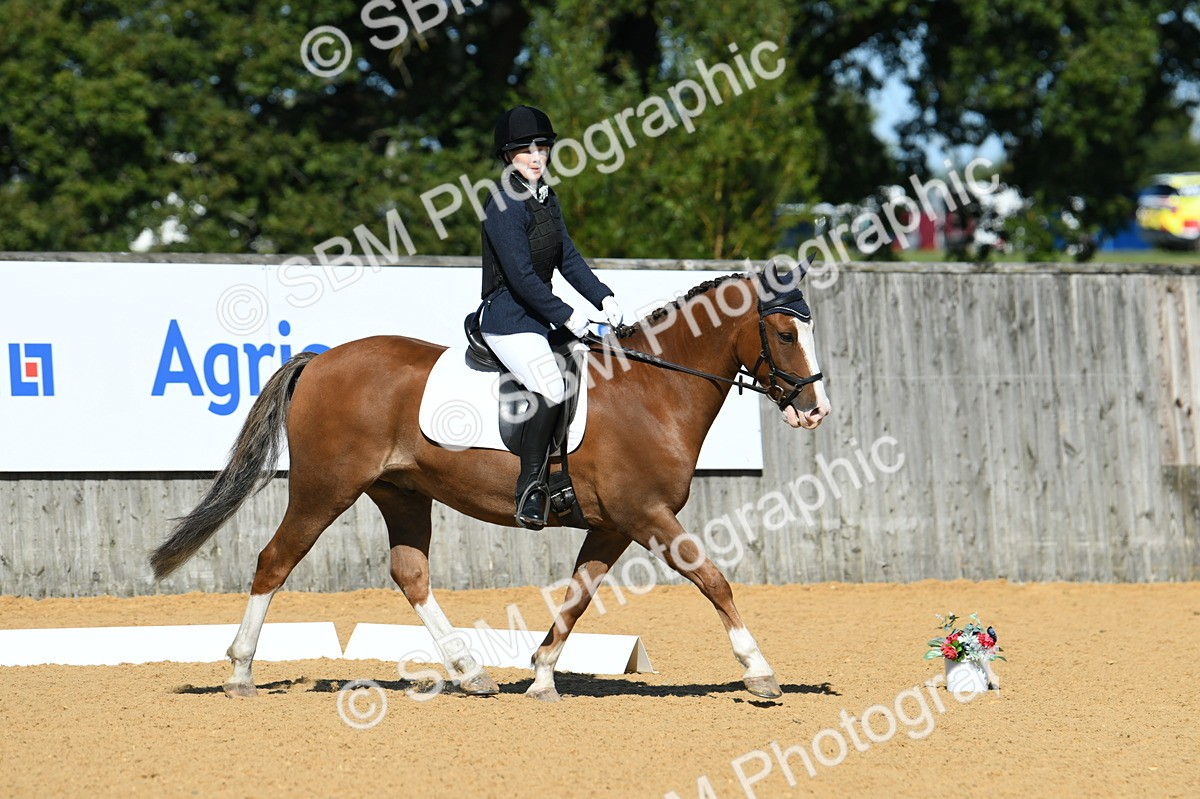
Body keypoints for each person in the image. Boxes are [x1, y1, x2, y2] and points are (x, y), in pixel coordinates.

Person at [478, 105, 625, 530]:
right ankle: (530, 487)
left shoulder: (546, 197)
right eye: (526, 150)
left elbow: (568, 258)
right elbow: (522, 277)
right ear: (508, 156)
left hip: (539, 317)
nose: (536, 156)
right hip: (508, 316)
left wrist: (604, 297)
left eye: (542, 147)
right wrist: (571, 317)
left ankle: (567, 472)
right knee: (551, 383)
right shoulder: (503, 201)